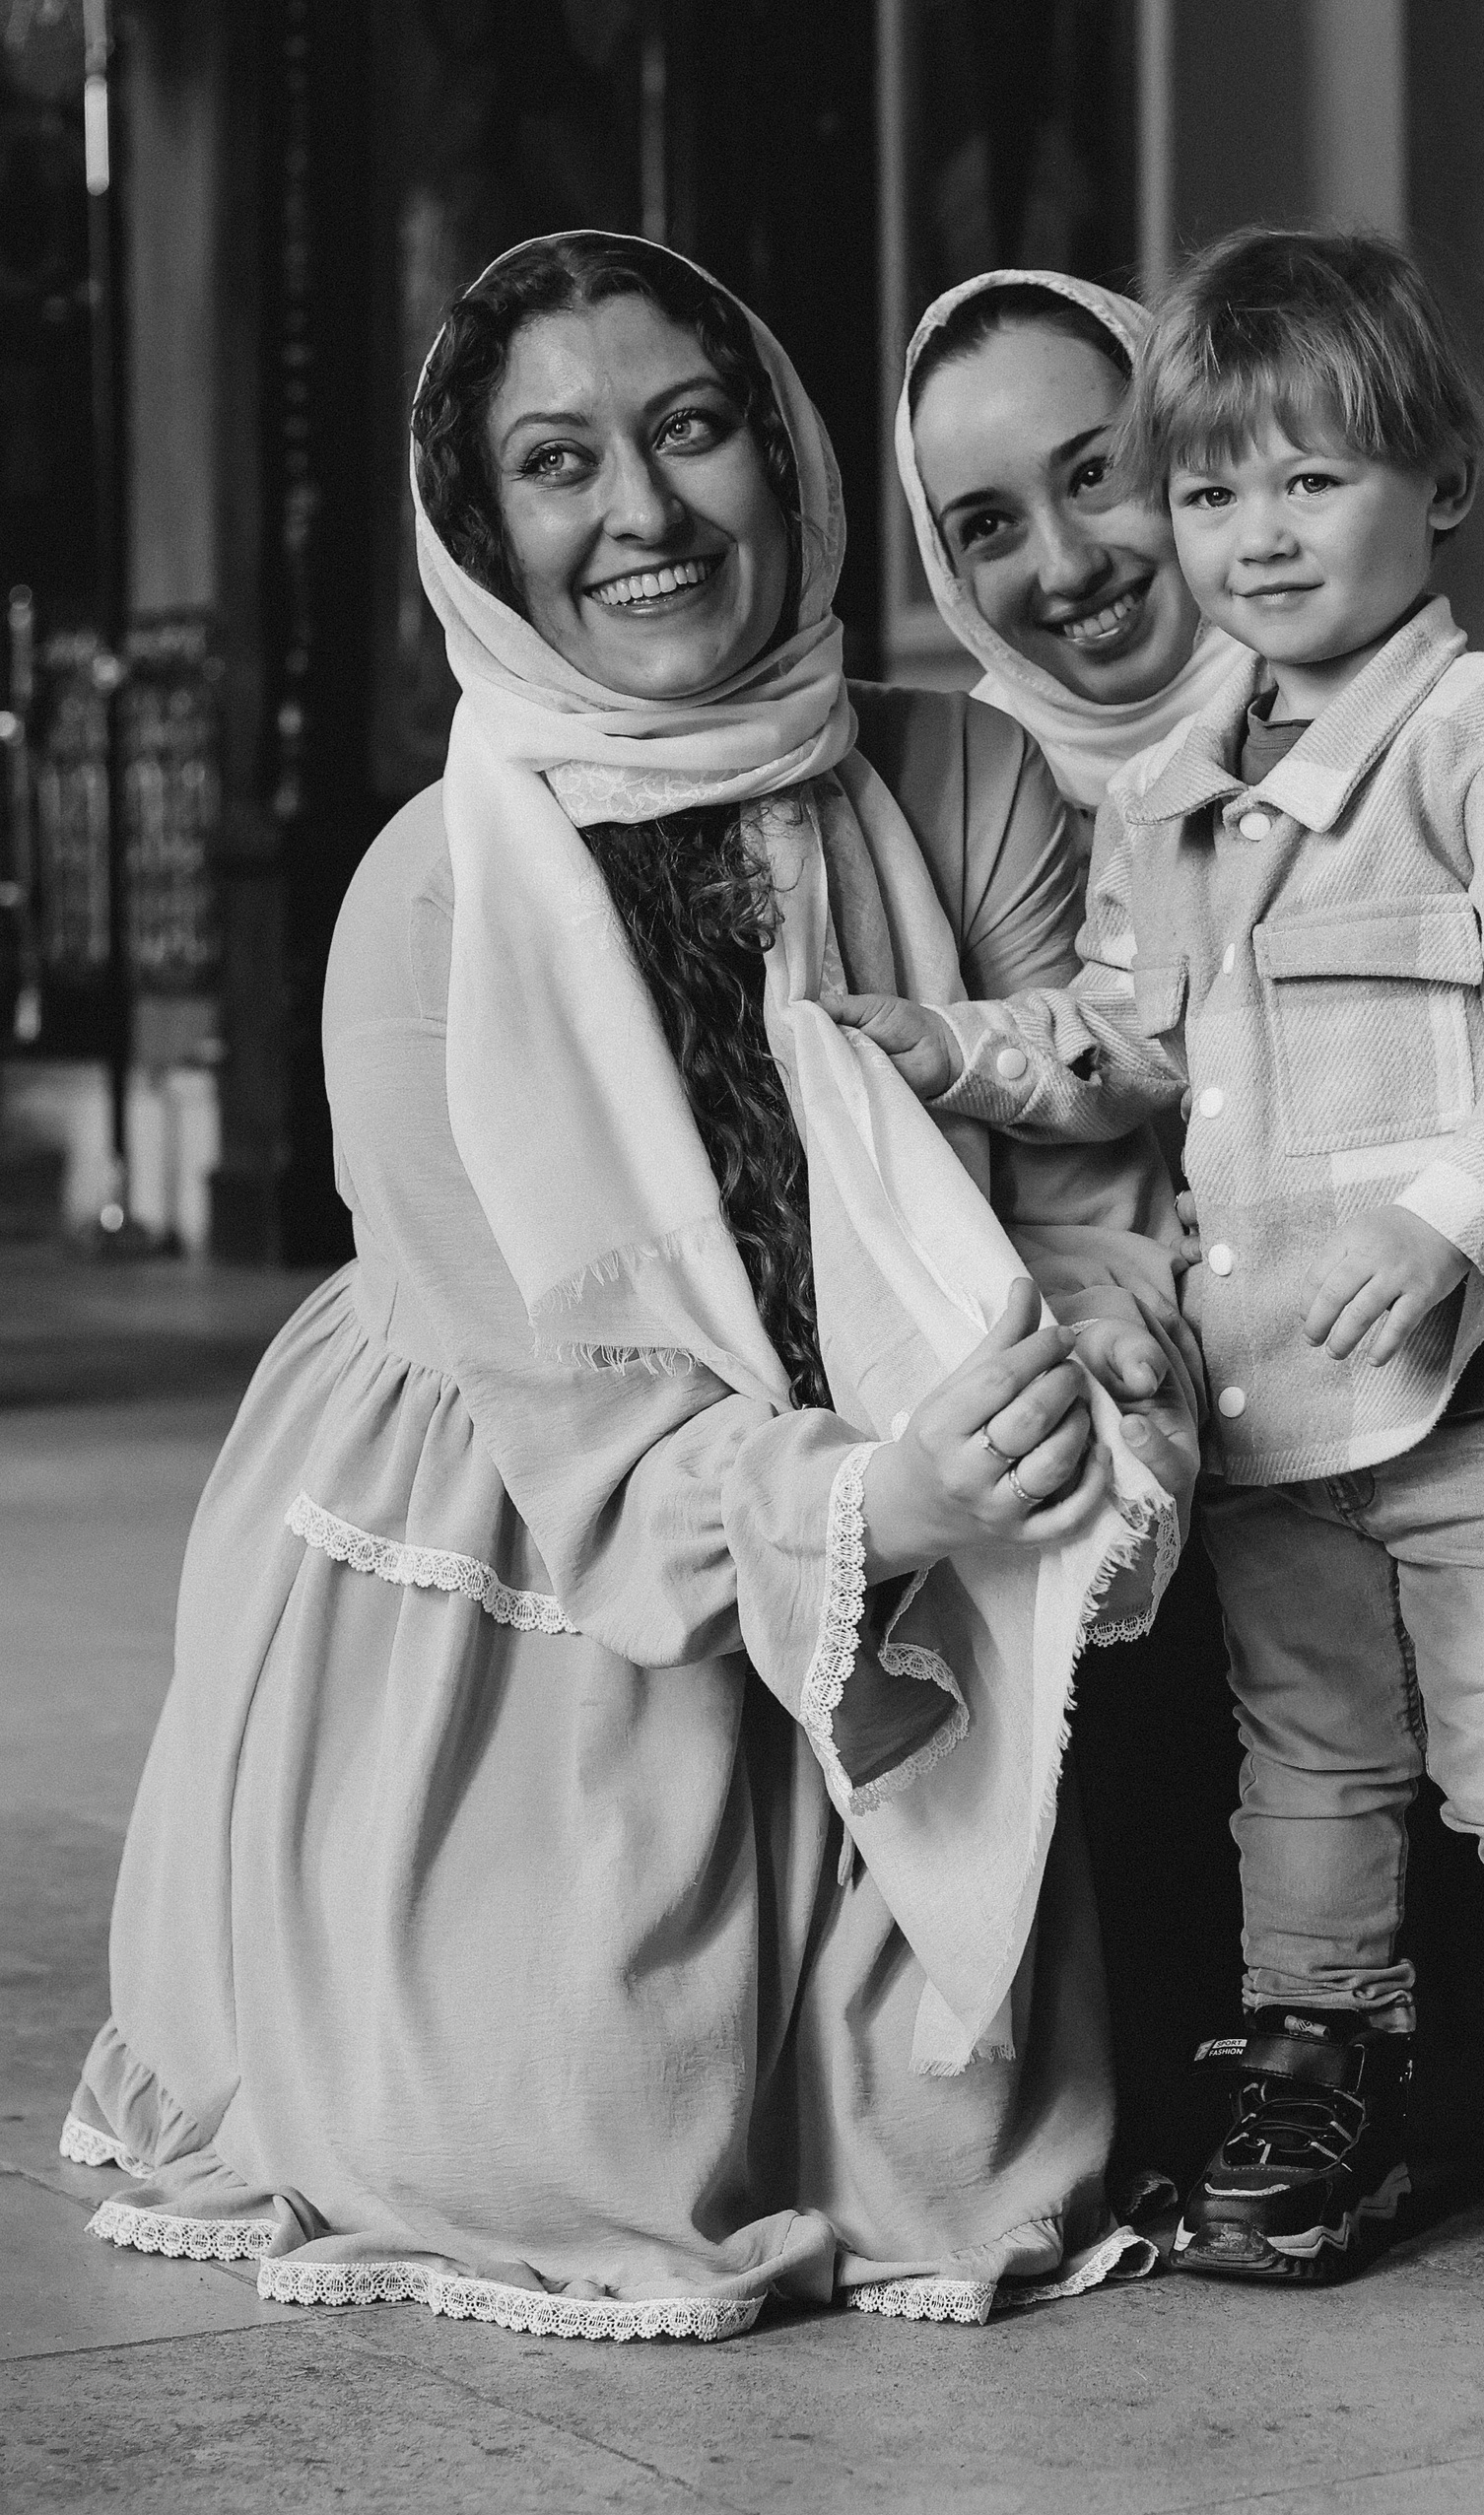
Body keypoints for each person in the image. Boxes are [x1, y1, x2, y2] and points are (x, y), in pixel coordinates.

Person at [58, 231, 1202, 2341]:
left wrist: (1063, 1389)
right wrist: (873, 1505)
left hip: (928, 1460)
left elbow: (1095, 1197)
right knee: (540, 2133)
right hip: (545, 1529)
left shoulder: (962, 778)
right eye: (559, 464)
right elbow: (564, 1404)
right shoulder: (428, 897)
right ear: (481, 533)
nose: (645, 512)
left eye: (689, 431)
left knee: (966, 2123)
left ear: (786, 457)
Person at [839, 227, 1484, 2307]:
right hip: (1257, 1411)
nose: (1240, 534)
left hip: (1477, 1392)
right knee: (1309, 1769)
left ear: (1443, 479)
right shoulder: (1135, 804)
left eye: (1303, 481)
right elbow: (1120, 1028)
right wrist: (952, 1049)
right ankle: (1323, 2067)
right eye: (1210, 488)